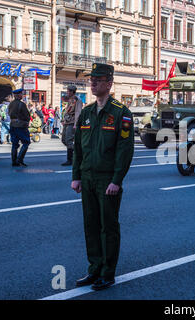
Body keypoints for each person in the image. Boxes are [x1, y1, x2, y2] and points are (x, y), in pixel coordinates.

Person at [71, 63, 134, 291]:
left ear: (109, 83)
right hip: (87, 179)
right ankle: (94, 269)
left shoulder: (121, 113)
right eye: (92, 79)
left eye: (98, 79)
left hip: (107, 180)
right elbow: (78, 147)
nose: (93, 82)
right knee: (90, 226)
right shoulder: (87, 112)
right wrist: (76, 176)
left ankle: (108, 273)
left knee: (108, 227)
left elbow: (124, 150)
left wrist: (117, 180)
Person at [8, 89, 31, 167]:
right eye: (21, 94)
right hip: (21, 126)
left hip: (12, 125)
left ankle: (14, 161)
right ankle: (20, 159)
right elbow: (27, 116)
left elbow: (9, 113)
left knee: (14, 144)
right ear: (18, 95)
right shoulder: (22, 104)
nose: (22, 95)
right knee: (26, 142)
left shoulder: (11, 104)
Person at [61, 85, 83, 166]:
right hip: (67, 122)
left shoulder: (77, 100)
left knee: (69, 140)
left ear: (72, 92)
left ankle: (70, 160)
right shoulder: (70, 100)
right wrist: (63, 120)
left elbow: (78, 112)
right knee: (63, 140)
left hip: (72, 122)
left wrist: (76, 124)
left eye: (68, 91)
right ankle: (77, 152)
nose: (67, 92)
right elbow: (66, 110)